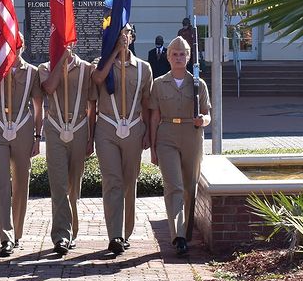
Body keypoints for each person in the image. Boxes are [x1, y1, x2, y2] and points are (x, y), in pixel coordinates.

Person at [91, 25, 152, 255]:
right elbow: (97, 79)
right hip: (107, 128)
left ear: (133, 36)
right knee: (112, 181)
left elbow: (147, 103)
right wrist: (114, 53)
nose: (123, 37)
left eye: (126, 33)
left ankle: (126, 232)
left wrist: (147, 132)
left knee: (129, 182)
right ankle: (114, 234)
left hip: (134, 129)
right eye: (118, 34)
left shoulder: (143, 68)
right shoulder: (102, 63)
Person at [149, 35, 211, 257]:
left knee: (189, 187)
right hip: (167, 135)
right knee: (173, 186)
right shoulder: (158, 84)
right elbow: (154, 117)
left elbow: (207, 114)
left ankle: (186, 232)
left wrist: (202, 120)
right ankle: (178, 236)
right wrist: (153, 148)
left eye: (182, 53)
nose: (178, 57)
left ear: (189, 56)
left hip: (192, 135)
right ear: (168, 56)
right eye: (174, 54)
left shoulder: (198, 84)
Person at [0, 41, 43, 257]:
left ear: (23, 47)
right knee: (1, 183)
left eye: (18, 45)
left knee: (21, 181)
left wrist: (38, 136)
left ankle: (17, 231)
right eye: (10, 44)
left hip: (23, 127)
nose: (14, 48)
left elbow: (38, 106)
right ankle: (6, 236)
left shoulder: (32, 72)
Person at [39, 45, 96, 256]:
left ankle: (72, 230)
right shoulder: (45, 68)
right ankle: (61, 235)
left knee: (74, 186)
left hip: (79, 128)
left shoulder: (87, 69)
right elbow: (49, 88)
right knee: (59, 185)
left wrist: (91, 137)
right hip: (55, 128)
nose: (65, 46)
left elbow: (92, 106)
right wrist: (61, 60)